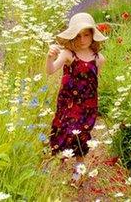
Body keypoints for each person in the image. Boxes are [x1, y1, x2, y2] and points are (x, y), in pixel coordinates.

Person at [46, 12, 107, 160]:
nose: (82, 39)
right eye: (78, 35)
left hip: (88, 103)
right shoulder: (68, 54)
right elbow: (51, 70)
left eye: (86, 35)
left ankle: (79, 167)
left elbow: (94, 80)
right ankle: (58, 155)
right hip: (68, 102)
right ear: (73, 36)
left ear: (93, 35)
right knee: (64, 128)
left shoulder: (99, 58)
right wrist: (49, 58)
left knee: (82, 134)